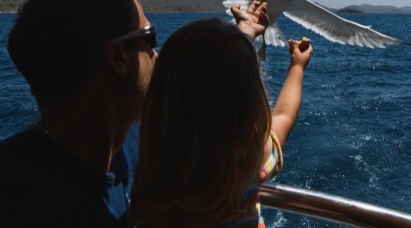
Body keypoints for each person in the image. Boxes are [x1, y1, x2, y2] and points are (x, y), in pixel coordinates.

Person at [0, 0, 267, 227]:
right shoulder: (0, 203)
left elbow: (208, 82)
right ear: (118, 58)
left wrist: (243, 35)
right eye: (149, 38)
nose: (158, 53)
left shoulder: (126, 140)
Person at [130, 13, 313, 228]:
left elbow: (203, 82)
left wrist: (244, 33)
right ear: (247, 106)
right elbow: (283, 115)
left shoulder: (147, 159)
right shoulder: (250, 159)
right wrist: (297, 67)